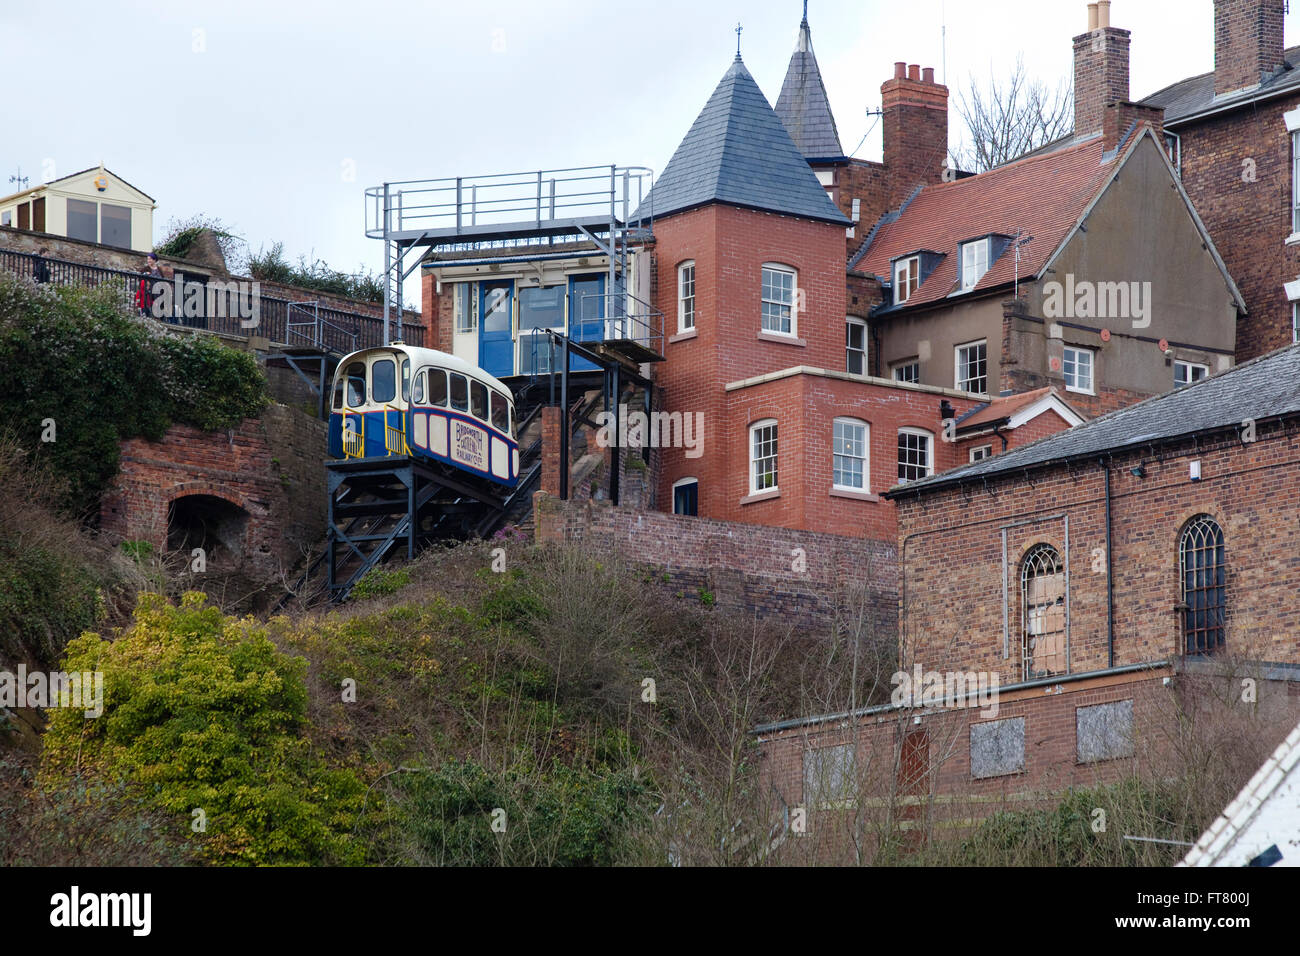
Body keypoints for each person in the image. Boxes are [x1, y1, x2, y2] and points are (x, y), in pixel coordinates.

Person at [137, 252, 163, 317]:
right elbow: (140, 277)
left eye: (150, 259)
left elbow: (162, 279)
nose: (148, 261)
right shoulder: (145, 269)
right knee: (147, 303)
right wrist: (146, 279)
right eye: (148, 259)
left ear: (154, 260)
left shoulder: (159, 269)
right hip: (149, 290)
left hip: (158, 290)